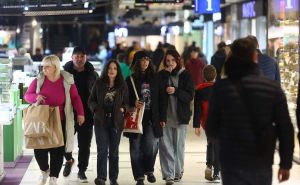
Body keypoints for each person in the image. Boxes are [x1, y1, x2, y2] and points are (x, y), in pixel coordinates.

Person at [206, 38, 294, 185]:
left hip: (231, 160)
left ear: (231, 56)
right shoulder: (272, 88)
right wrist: (285, 164)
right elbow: (285, 128)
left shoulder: (222, 89)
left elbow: (211, 128)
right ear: (255, 57)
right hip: (262, 159)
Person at [24, 55, 84, 185]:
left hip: (60, 120)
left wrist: (80, 113)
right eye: (43, 66)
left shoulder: (66, 80)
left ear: (55, 67)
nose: (43, 69)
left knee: (57, 150)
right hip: (42, 120)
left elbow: (75, 98)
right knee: (40, 150)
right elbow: (27, 95)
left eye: (47, 66)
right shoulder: (39, 80)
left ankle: (53, 178)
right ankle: (45, 170)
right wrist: (36, 97)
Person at [124, 51, 162, 185]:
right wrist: (132, 103)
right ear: (136, 62)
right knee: (135, 148)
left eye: (147, 59)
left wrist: (162, 118)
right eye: (142, 59)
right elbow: (124, 100)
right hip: (136, 118)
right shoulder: (130, 79)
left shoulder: (156, 78)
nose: (145, 62)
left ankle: (149, 170)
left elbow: (161, 99)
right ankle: (139, 176)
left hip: (152, 118)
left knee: (151, 146)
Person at [88, 59, 128, 185]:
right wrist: (95, 110)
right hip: (101, 121)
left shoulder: (122, 85)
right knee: (102, 150)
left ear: (117, 71)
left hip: (116, 121)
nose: (112, 70)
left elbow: (127, 102)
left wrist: (123, 109)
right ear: (106, 70)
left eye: (115, 68)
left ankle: (113, 178)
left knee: (114, 152)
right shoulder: (99, 83)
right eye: (110, 68)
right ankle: (101, 177)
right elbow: (91, 100)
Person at [62, 46, 98, 182]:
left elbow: (98, 93)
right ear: (72, 57)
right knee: (65, 142)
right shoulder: (64, 73)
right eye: (76, 56)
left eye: (82, 56)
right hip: (68, 113)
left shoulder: (93, 74)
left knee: (84, 145)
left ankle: (82, 170)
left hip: (87, 114)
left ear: (86, 57)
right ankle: (69, 159)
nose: (79, 58)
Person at [158, 49, 194, 185]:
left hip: (180, 118)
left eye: (173, 60)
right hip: (165, 117)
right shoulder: (161, 75)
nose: (170, 63)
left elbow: (189, 96)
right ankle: (168, 175)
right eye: (168, 61)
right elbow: (157, 94)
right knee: (165, 147)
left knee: (178, 146)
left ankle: (178, 172)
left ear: (178, 60)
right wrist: (164, 77)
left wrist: (176, 91)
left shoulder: (185, 75)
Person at [193, 65, 220, 181]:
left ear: (203, 76)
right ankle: (217, 173)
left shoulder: (199, 90)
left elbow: (197, 109)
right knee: (217, 146)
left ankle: (209, 165)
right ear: (215, 76)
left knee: (210, 143)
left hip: (206, 122)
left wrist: (196, 125)